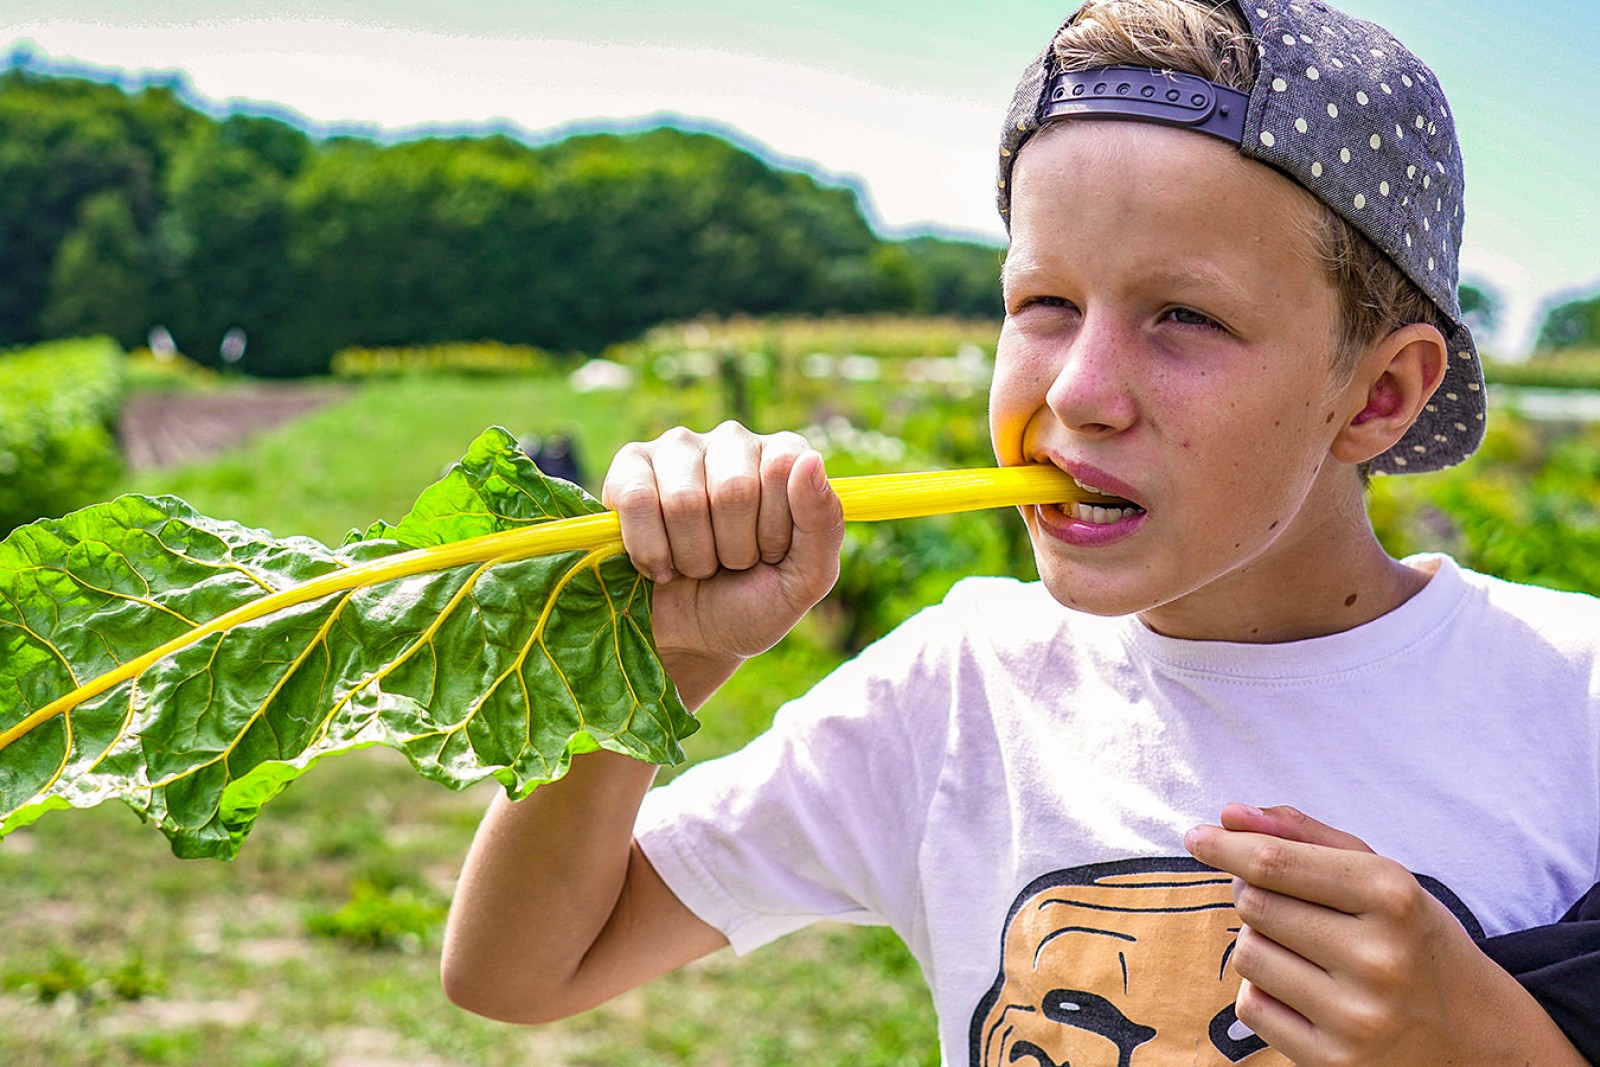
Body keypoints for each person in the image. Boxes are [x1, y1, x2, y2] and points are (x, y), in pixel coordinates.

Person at [440, 2, 1600, 1063]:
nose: (1081, 389)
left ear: (1379, 395)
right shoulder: (957, 691)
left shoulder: (1575, 699)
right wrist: (650, 665)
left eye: (1183, 317)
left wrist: (1492, 1034)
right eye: (1043, 304)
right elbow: (521, 967)